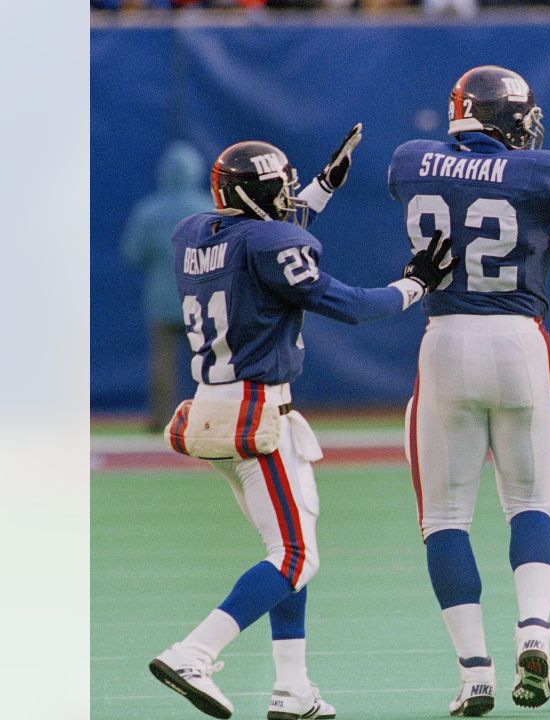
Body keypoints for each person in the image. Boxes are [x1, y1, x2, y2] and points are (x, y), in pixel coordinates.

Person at [148, 126, 456, 720]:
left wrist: (320, 188)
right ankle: (193, 652)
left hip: (213, 406)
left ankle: (294, 689)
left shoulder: (194, 235)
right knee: (294, 555)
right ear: (261, 196)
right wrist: (416, 282)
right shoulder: (268, 244)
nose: (292, 198)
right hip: (258, 411)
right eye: (283, 189)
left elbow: (261, 243)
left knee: (286, 550)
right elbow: (354, 305)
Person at [386, 66, 550, 717]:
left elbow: (506, 193)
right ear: (508, 121)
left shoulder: (411, 161)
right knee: (530, 504)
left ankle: (475, 673)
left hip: (446, 341)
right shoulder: (539, 174)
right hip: (517, 343)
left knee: (445, 519)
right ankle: (534, 633)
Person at [121, 140, 211, 432]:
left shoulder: (149, 211)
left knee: (162, 360)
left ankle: (161, 418)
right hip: (199, 295)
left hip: (161, 295)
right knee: (207, 359)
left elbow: (134, 252)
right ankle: (209, 417)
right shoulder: (207, 210)